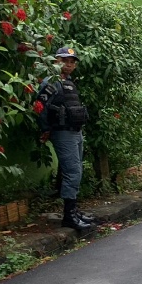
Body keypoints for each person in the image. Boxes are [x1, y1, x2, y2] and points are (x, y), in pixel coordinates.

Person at [35, 46, 94, 231]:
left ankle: (73, 211)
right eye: (64, 61)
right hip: (62, 132)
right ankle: (68, 217)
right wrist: (45, 129)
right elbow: (40, 107)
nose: (68, 65)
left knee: (76, 171)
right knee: (73, 172)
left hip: (75, 131)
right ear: (56, 61)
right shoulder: (51, 82)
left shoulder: (68, 82)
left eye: (71, 62)